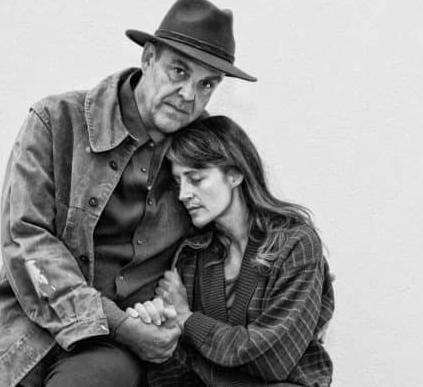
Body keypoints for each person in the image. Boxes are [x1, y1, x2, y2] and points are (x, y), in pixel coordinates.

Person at [0, 0, 256, 387]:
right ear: (148, 58)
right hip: (25, 324)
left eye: (206, 84)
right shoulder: (56, 121)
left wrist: (297, 264)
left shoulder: (206, 157)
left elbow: (244, 227)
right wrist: (118, 325)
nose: (188, 95)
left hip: (116, 348)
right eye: (178, 71)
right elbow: (25, 239)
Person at [128, 115, 334, 386]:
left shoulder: (296, 244)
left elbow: (272, 358)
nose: (183, 194)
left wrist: (187, 319)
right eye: (179, 182)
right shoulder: (192, 255)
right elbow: (176, 371)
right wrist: (163, 329)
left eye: (196, 179)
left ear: (235, 174)